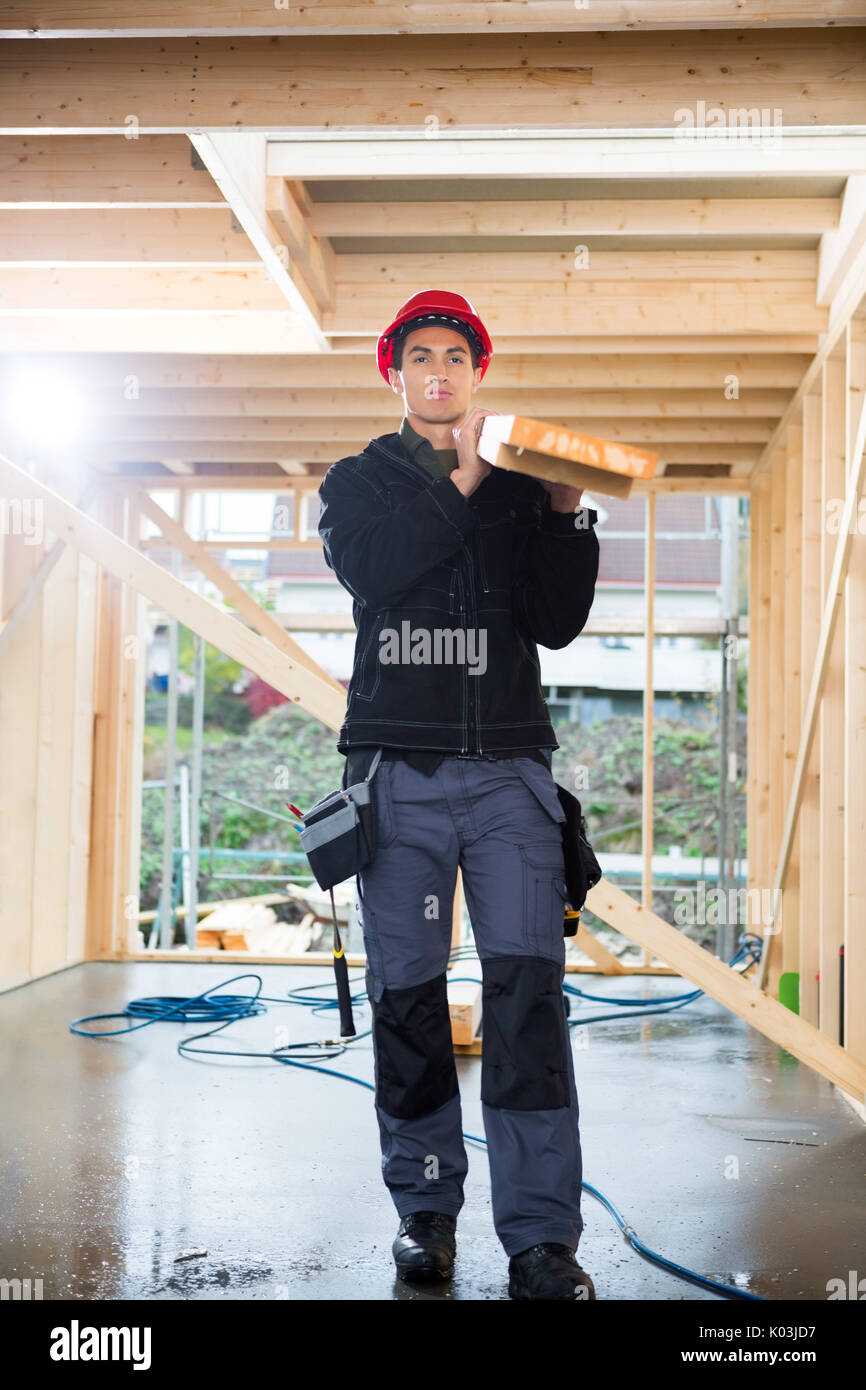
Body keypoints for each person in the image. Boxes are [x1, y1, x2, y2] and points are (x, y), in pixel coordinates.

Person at [317, 289, 600, 1300]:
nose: (439, 369)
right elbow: (377, 571)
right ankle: (425, 1215)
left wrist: (565, 512)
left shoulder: (523, 490)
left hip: (512, 773)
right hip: (401, 771)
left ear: (476, 371)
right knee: (407, 1001)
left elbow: (554, 622)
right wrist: (468, 472)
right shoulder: (359, 482)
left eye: (456, 354)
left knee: (527, 1005)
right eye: (420, 354)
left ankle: (538, 1238)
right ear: (395, 373)